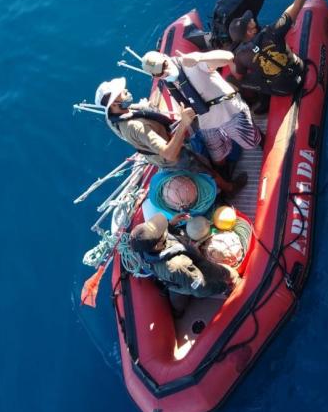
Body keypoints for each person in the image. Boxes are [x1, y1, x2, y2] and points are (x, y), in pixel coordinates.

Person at [94, 76, 246, 194]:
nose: (127, 92)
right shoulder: (136, 127)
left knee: (201, 160)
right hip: (173, 157)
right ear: (114, 103)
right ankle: (229, 189)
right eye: (123, 93)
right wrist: (184, 123)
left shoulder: (113, 117)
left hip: (159, 147)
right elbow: (170, 154)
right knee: (205, 171)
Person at [141, 48, 263, 167]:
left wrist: (199, 57)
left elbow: (228, 56)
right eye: (159, 72)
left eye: (165, 65)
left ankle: (263, 143)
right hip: (206, 120)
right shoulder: (169, 82)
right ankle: (226, 174)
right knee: (217, 155)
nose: (165, 71)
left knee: (252, 142)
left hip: (229, 112)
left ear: (165, 57)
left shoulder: (190, 63)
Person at [230, 0, 322, 97]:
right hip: (299, 70)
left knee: (236, 79)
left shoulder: (241, 56)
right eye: (250, 21)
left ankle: (261, 104)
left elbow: (239, 76)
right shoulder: (273, 31)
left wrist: (230, 63)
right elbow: (298, 2)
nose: (252, 18)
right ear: (249, 31)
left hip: (282, 89)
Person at [130, 212, 239, 316]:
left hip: (173, 282)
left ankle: (177, 312)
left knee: (178, 302)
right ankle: (233, 283)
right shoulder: (177, 265)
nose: (164, 229)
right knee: (225, 273)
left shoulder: (142, 248)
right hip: (187, 275)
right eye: (162, 231)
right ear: (158, 245)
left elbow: (156, 240)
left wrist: (171, 225)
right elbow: (201, 288)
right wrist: (222, 287)